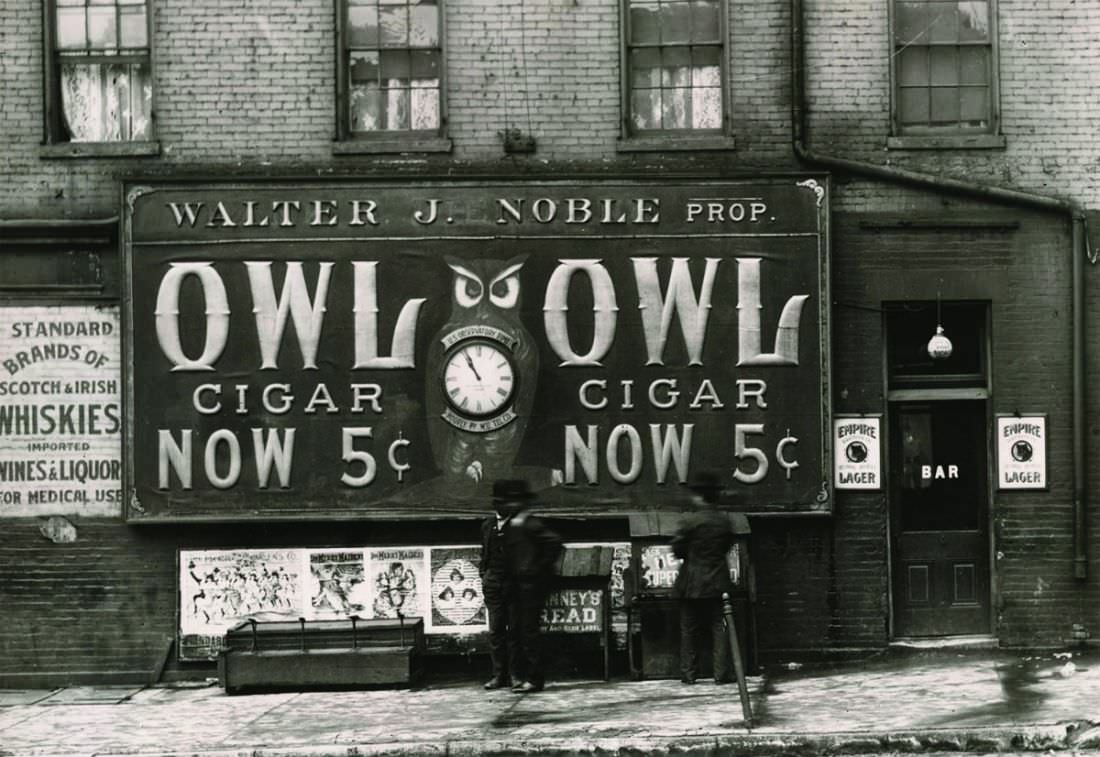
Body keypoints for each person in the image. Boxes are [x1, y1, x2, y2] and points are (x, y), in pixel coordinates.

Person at [479, 479, 563, 693]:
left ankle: (525, 677)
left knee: (522, 632)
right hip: (502, 584)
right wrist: (485, 574)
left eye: (510, 502)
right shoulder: (495, 524)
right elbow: (486, 553)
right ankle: (505, 675)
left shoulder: (524, 523)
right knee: (501, 630)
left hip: (520, 586)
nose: (507, 506)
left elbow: (552, 543)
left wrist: (535, 569)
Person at [671, 471, 736, 685]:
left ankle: (689, 675)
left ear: (698, 496)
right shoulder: (724, 522)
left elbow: (677, 550)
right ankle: (721, 674)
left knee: (689, 630)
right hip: (718, 582)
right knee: (720, 628)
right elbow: (726, 547)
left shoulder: (689, 521)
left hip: (691, 584)